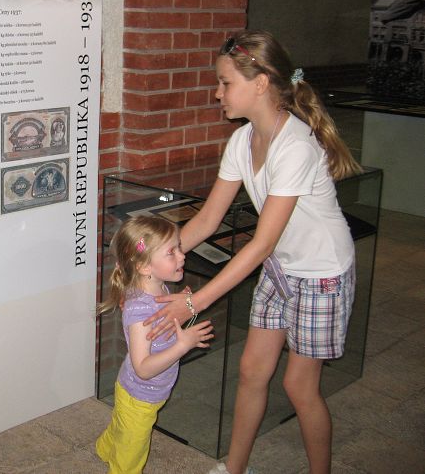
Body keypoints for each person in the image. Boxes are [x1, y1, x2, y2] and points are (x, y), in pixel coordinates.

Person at [146, 31, 363, 474]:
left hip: (321, 273)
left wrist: (194, 302)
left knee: (299, 385)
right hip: (282, 267)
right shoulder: (242, 141)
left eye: (225, 82)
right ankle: (235, 468)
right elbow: (208, 220)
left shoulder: (295, 146)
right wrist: (152, 257)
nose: (217, 92)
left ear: (261, 83)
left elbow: (262, 242)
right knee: (251, 371)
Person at [95, 216, 214, 474]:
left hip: (142, 392)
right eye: (172, 252)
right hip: (139, 396)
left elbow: (163, 327)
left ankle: (105, 448)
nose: (182, 255)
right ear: (144, 266)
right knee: (130, 457)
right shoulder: (139, 311)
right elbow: (143, 368)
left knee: (122, 427)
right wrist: (183, 346)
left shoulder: (159, 288)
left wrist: (183, 305)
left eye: (179, 246)